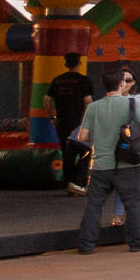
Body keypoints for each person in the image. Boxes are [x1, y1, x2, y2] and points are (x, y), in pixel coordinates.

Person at [74, 70, 140, 254]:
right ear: (122, 84)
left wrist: (100, 135)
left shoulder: (94, 107)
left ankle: (86, 244)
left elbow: (82, 136)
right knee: (132, 204)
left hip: (100, 164)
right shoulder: (133, 104)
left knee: (94, 205)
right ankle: (137, 242)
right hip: (128, 164)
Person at [52, 52, 92, 197]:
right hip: (78, 122)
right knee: (86, 151)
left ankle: (68, 182)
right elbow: (87, 102)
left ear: (65, 64)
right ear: (80, 63)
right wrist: (85, 120)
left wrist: (53, 116)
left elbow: (46, 99)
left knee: (67, 152)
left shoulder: (57, 80)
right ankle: (76, 182)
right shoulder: (84, 80)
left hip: (62, 121)